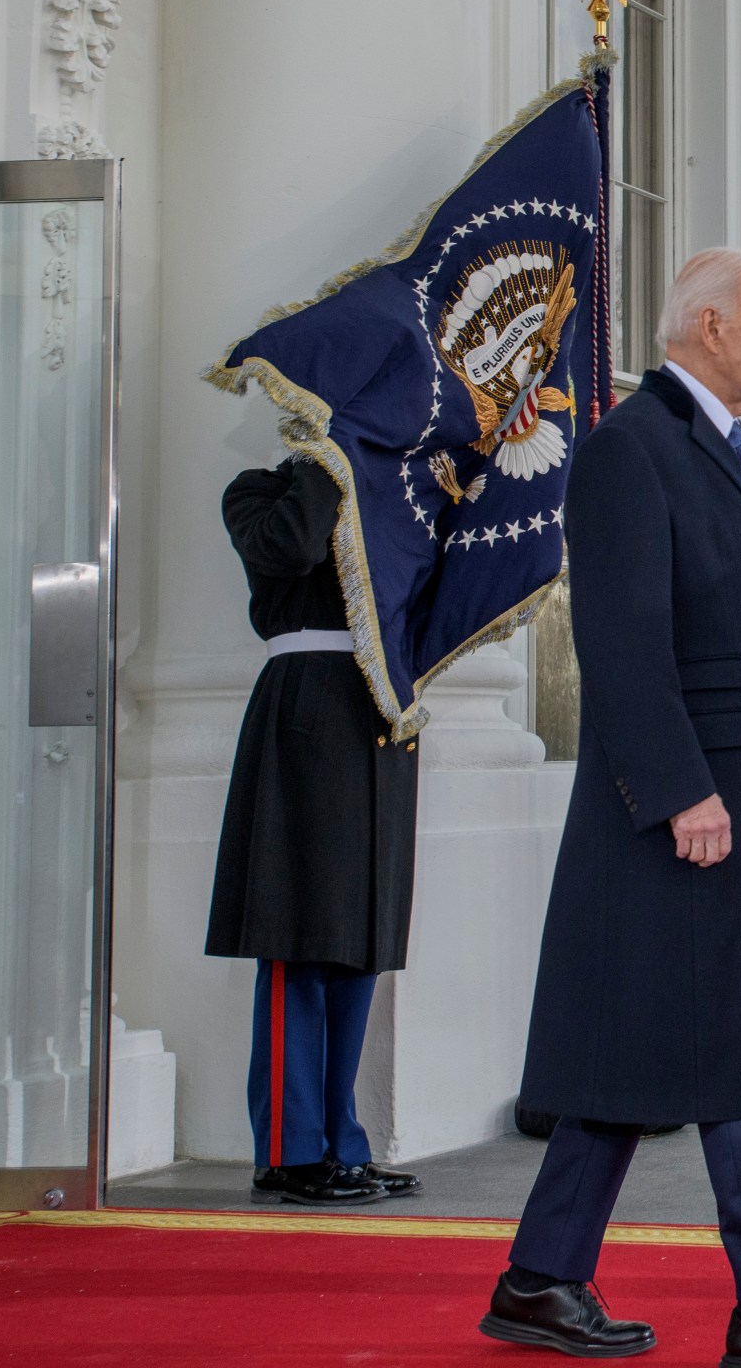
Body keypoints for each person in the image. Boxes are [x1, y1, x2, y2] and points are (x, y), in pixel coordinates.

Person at [481, 250, 741, 1368]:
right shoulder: (630, 451)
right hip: (679, 816)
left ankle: (538, 1278)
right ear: (708, 325)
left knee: (636, 1057)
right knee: (739, 1057)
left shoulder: (728, 454)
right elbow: (619, 643)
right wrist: (681, 790)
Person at [209, 460, 422, 1209]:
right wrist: (323, 460)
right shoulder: (261, 488)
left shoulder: (381, 489)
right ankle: (289, 1150)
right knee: (299, 940)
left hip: (378, 712)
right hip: (305, 709)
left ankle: (342, 1143)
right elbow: (290, 548)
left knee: (357, 945)